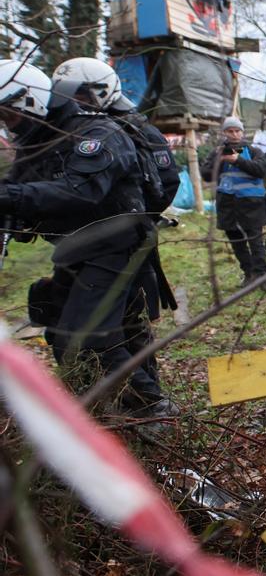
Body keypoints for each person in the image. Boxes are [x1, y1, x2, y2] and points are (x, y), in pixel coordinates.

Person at [0, 59, 174, 416]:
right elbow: (18, 190)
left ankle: (151, 408)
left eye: (11, 116)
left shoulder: (96, 135)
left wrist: (12, 198)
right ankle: (95, 404)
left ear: (31, 101)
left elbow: (79, 192)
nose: (8, 125)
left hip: (115, 243)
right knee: (62, 330)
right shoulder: (41, 140)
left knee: (94, 331)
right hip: (75, 247)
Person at [50, 57, 181, 399]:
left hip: (130, 237)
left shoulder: (136, 128)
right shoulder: (77, 129)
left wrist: (139, 215)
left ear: (100, 91)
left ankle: (148, 400)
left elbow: (167, 180)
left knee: (131, 318)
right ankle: (112, 394)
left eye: (81, 95)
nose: (74, 102)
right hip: (89, 241)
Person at [201, 116, 266, 286]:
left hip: (252, 205)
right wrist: (219, 160)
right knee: (237, 244)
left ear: (242, 132)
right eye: (230, 131)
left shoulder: (254, 151)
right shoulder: (217, 152)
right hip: (228, 206)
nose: (234, 134)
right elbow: (206, 175)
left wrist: (238, 160)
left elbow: (261, 170)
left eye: (237, 131)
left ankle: (262, 276)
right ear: (224, 133)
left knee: (256, 243)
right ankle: (249, 274)